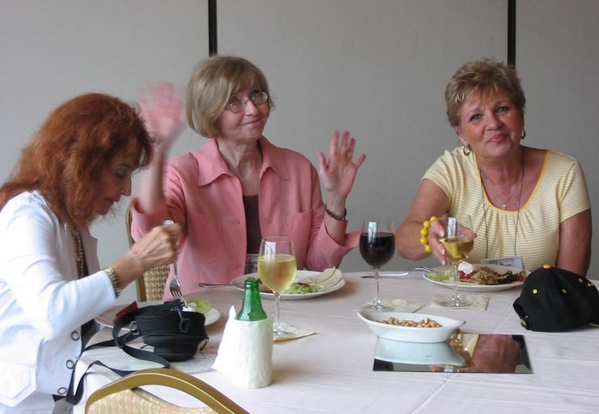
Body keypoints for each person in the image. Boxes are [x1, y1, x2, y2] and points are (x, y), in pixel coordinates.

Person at [0, 93, 181, 413]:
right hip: (22, 403)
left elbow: (80, 316)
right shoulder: (28, 214)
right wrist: (136, 262)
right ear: (82, 161)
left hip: (60, 398)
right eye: (121, 172)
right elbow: (53, 314)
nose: (126, 190)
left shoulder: (71, 221)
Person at [130, 55, 366, 297]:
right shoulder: (181, 174)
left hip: (282, 308)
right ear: (211, 113)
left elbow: (319, 266)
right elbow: (151, 236)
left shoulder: (299, 170)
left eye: (256, 95)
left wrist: (336, 199)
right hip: (206, 314)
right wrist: (158, 152)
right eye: (235, 102)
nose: (253, 109)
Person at [395, 58, 591, 275]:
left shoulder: (564, 172)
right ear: (461, 133)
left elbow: (571, 281)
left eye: (502, 109)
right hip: (464, 306)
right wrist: (429, 235)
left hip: (539, 307)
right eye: (476, 116)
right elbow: (404, 243)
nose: (494, 124)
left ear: (521, 117)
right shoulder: (451, 169)